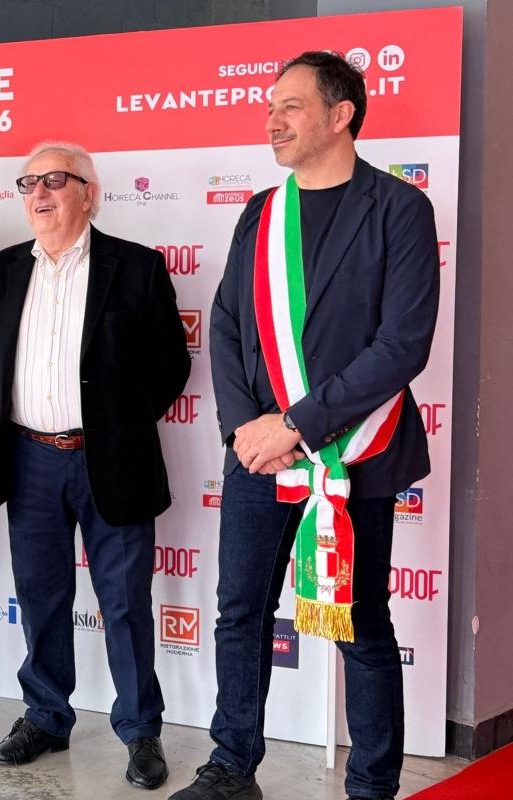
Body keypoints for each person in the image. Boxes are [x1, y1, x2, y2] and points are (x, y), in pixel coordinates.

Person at [170, 51, 439, 800]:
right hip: (259, 455)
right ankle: (232, 768)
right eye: (269, 107)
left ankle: (372, 786)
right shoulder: (261, 210)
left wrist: (293, 425)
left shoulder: (399, 208)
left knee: (360, 623)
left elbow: (402, 344)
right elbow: (227, 323)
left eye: (289, 106)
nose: (272, 121)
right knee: (239, 611)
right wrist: (243, 430)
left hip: (356, 455)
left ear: (340, 114)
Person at [0, 142, 190, 789]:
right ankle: (46, 716)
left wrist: (116, 427)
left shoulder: (137, 267)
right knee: (41, 598)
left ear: (88, 193)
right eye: (29, 184)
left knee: (124, 604)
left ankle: (140, 729)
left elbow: (170, 365)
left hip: (112, 461)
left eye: (54, 180)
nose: (39, 194)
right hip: (29, 459)